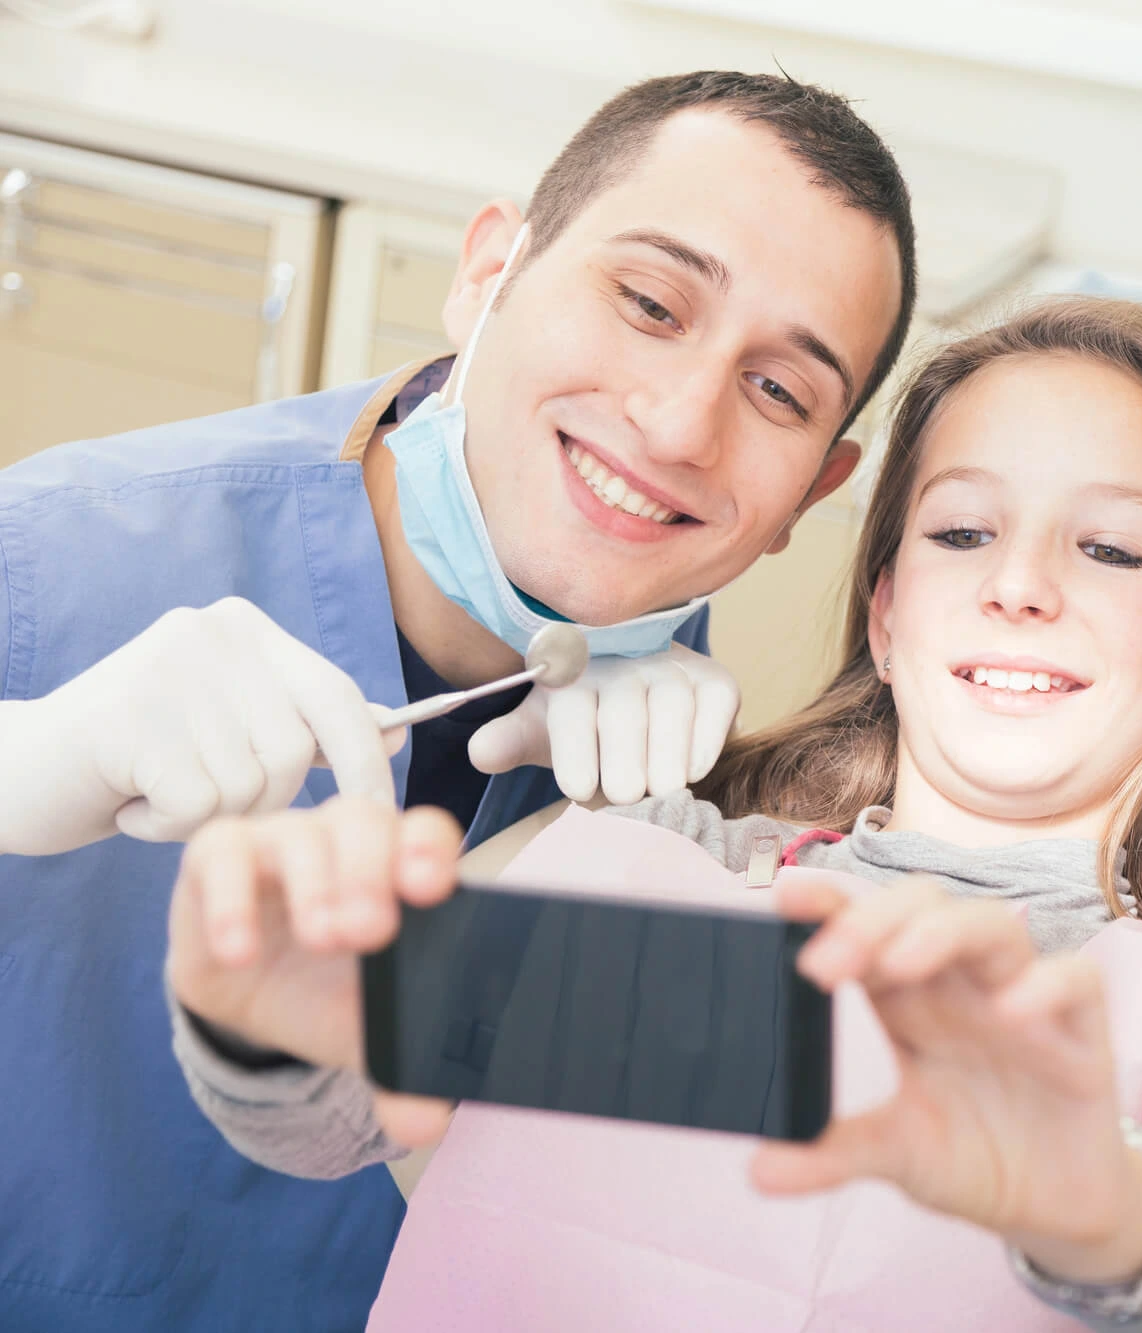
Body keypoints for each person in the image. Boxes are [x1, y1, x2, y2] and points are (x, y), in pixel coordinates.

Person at [163, 298, 1142, 1330]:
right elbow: (337, 1120)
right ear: (886, 618)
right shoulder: (670, 870)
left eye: (1111, 549)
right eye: (961, 532)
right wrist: (271, 1028)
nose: (1016, 584)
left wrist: (1107, 1207)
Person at [0, 72, 916, 1330]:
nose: (678, 425)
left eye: (779, 392)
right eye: (650, 304)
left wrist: (663, 852)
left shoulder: (683, 754)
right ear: (489, 272)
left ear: (812, 493)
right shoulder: (60, 554)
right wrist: (24, 758)